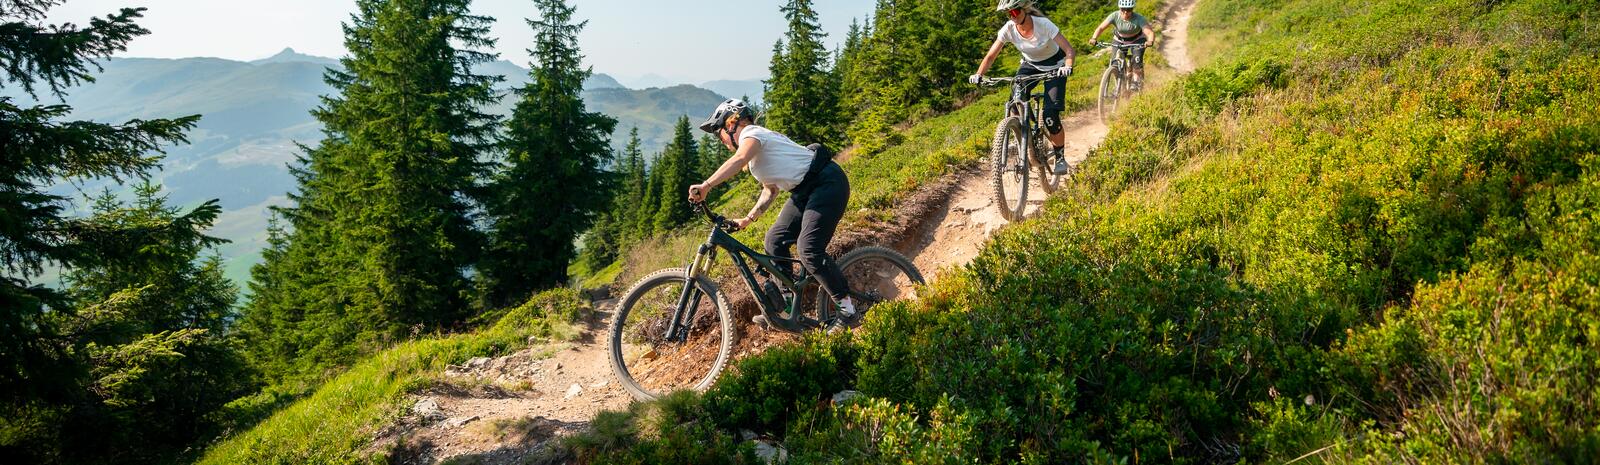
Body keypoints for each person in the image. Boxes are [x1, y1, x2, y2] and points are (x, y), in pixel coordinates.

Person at [686, 99, 856, 330]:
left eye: (719, 133)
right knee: (774, 240)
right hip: (804, 191)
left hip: (827, 183)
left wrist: (706, 186)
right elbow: (770, 190)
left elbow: (739, 159)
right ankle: (787, 306)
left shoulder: (752, 134)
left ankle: (847, 309)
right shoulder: (756, 157)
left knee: (808, 249)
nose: (720, 139)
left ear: (731, 123)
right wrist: (748, 219)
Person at [970, 0, 1078, 175]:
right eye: (1008, 14)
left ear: (1024, 10)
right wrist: (979, 74)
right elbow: (991, 55)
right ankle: (1020, 135)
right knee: (1015, 100)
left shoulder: (1043, 24)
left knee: (1050, 115)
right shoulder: (1008, 29)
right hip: (1031, 65)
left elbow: (1069, 50)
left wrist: (1068, 66)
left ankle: (1060, 157)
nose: (1011, 17)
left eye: (1014, 12)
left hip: (1055, 66)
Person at [1090, 0, 1157, 90]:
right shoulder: (1114, 15)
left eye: (1129, 9)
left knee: (1136, 60)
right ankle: (1118, 85)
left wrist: (1150, 41)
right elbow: (1101, 27)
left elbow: (1149, 32)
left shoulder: (1139, 18)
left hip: (1137, 40)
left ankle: (1136, 81)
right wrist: (1094, 38)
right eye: (1123, 9)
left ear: (1132, 9)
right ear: (1120, 8)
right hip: (1119, 39)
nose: (1126, 12)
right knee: (1115, 63)